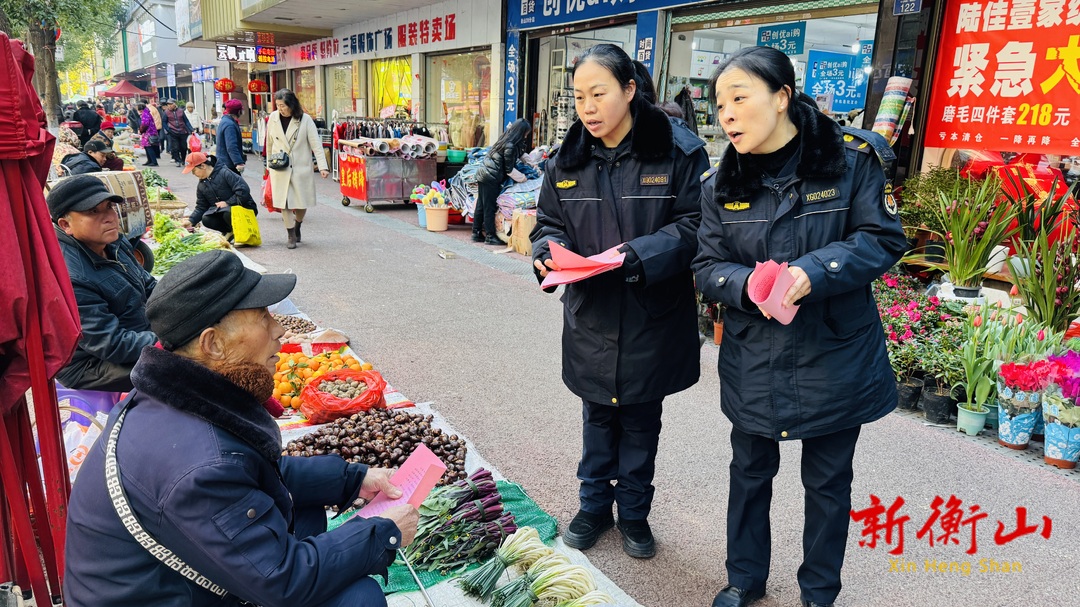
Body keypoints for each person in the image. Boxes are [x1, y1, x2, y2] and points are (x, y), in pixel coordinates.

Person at [64, 250, 418, 606]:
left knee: (304, 511)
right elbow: (281, 580)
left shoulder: (174, 395)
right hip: (166, 595)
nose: (279, 329)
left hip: (175, 578)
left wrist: (353, 479)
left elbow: (254, 472)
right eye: (263, 317)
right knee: (359, 598)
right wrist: (382, 534)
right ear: (213, 344)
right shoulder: (201, 464)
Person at [691, 46, 907, 607]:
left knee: (829, 483)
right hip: (754, 354)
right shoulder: (720, 184)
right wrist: (746, 286)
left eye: (740, 98)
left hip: (835, 355)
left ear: (783, 97)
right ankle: (744, 579)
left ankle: (819, 592)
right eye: (720, 105)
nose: (727, 115)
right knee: (749, 473)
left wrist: (814, 270)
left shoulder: (851, 161)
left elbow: (882, 239)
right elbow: (706, 266)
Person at [529, 44, 709, 559]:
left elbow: (698, 226)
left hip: (652, 315)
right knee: (597, 418)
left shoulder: (678, 151)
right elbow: (548, 224)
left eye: (598, 94)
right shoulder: (567, 158)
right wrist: (545, 254)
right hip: (591, 314)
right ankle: (591, 508)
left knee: (640, 422)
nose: (587, 107)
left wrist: (637, 254)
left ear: (630, 91)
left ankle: (633, 514)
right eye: (579, 96)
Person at [48, 175, 157, 392]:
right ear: (65, 224)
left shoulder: (112, 240)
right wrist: (168, 340)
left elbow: (148, 284)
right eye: (93, 212)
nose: (109, 217)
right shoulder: (70, 277)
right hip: (90, 363)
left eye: (109, 207)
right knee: (184, 363)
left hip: (134, 330)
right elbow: (111, 344)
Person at [265, 88, 329, 249]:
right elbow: (270, 143)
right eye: (278, 105)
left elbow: (316, 145)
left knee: (301, 202)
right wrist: (268, 165)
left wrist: (323, 166)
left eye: (283, 105)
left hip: (300, 167)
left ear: (292, 105)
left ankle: (298, 224)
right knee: (284, 202)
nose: (280, 109)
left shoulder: (305, 120)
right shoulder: (273, 118)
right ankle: (290, 234)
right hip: (280, 167)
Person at [473, 119, 531, 245]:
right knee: (489, 207)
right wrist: (523, 178)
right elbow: (509, 169)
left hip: (484, 173)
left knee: (481, 205)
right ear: (521, 132)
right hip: (491, 177)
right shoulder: (510, 144)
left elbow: (520, 154)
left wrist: (530, 161)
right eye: (526, 133)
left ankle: (476, 233)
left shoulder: (508, 139)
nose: (526, 135)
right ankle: (490, 236)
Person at [184, 151, 258, 241]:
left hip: (244, 208)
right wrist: (191, 221)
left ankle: (240, 230)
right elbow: (201, 206)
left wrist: (228, 203)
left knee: (228, 212)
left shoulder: (225, 173)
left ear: (203, 166)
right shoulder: (201, 185)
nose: (193, 174)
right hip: (224, 211)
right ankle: (229, 231)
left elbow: (243, 191)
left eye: (194, 170)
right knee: (206, 219)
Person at [216, 98, 247, 175]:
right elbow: (231, 146)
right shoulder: (229, 125)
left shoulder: (226, 121)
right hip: (228, 165)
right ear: (238, 111)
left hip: (224, 163)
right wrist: (238, 162)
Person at [163, 99, 194, 166]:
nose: (169, 106)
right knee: (175, 147)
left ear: (175, 104)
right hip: (173, 132)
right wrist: (168, 130)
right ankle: (178, 160)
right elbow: (164, 122)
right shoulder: (166, 112)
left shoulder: (181, 111)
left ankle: (183, 159)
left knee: (183, 147)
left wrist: (191, 129)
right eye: (168, 104)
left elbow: (186, 121)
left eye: (171, 104)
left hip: (183, 132)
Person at [139, 102, 161, 167]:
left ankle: (154, 161)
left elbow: (145, 124)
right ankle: (149, 160)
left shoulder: (145, 114)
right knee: (146, 147)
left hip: (148, 133)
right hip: (149, 132)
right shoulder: (147, 113)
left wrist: (141, 130)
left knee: (149, 147)